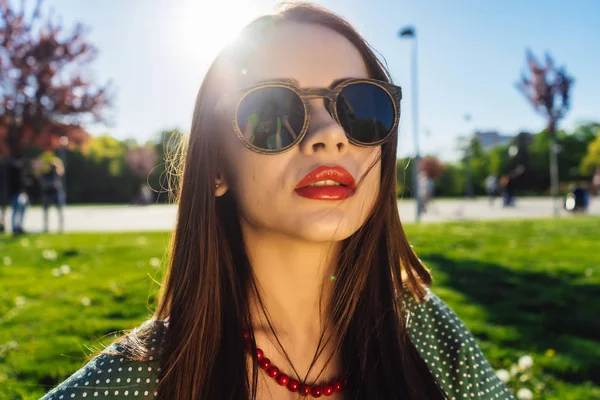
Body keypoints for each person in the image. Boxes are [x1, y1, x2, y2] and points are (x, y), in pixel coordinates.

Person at [41, 4, 513, 400]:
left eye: (360, 108)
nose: (330, 136)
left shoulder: (426, 330)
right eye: (273, 112)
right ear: (217, 168)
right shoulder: (136, 380)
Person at [38, 152, 66, 233]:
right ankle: (46, 227)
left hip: (56, 192)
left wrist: (57, 165)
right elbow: (42, 181)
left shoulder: (57, 173)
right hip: (48, 192)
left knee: (60, 211)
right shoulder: (45, 173)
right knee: (46, 211)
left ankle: (61, 227)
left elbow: (60, 173)